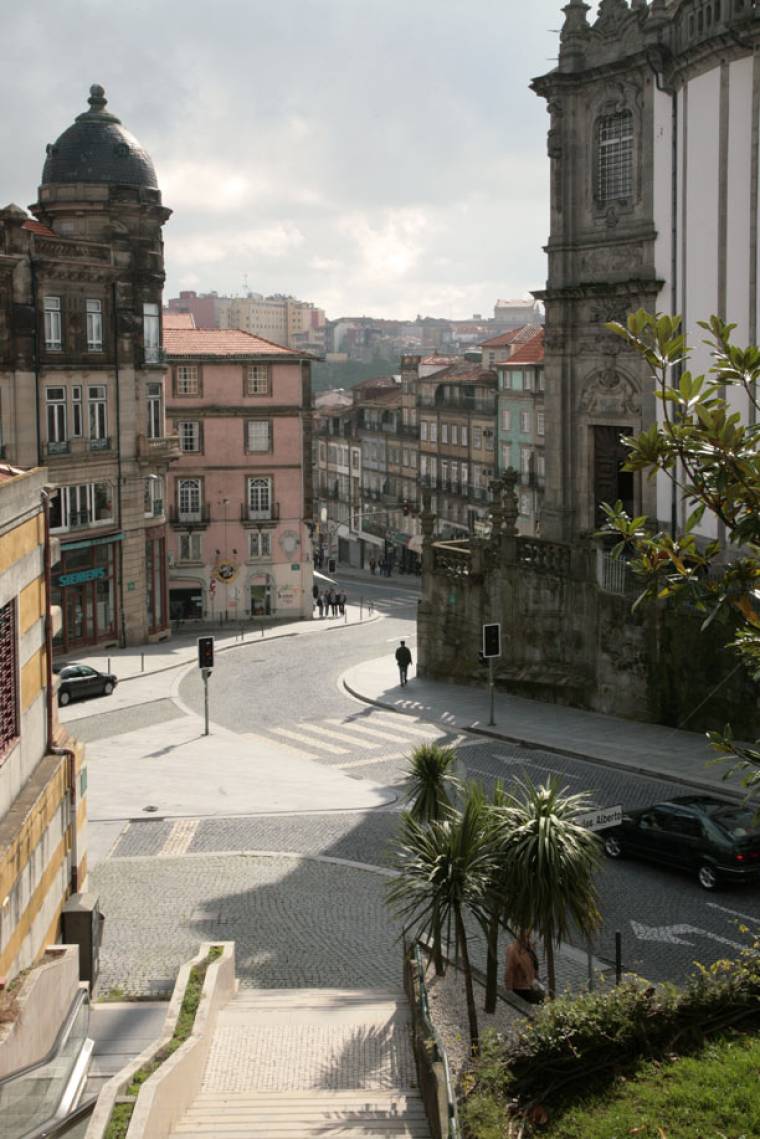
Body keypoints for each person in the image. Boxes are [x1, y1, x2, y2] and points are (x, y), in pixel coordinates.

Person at [504, 931, 545, 1004]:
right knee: (542, 999)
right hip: (520, 987)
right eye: (527, 937)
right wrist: (509, 989)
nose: (529, 939)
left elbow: (534, 964)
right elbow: (509, 970)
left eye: (529, 937)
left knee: (545, 995)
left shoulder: (529, 947)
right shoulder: (513, 950)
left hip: (531, 983)